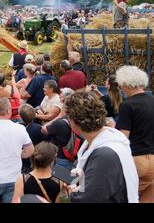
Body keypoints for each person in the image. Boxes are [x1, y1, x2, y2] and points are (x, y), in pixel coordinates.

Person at [65, 92, 139, 203]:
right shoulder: (107, 140)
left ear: (74, 123)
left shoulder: (104, 154)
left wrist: (72, 193)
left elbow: (90, 199)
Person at [115, 66, 154, 203]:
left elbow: (122, 138)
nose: (121, 88)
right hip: (152, 159)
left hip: (136, 159)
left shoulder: (127, 105)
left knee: (129, 197)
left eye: (121, 85)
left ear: (126, 84)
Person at [20, 104, 49, 173]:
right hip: (37, 158)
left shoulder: (19, 128)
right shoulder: (38, 127)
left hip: (26, 161)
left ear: (20, 117)